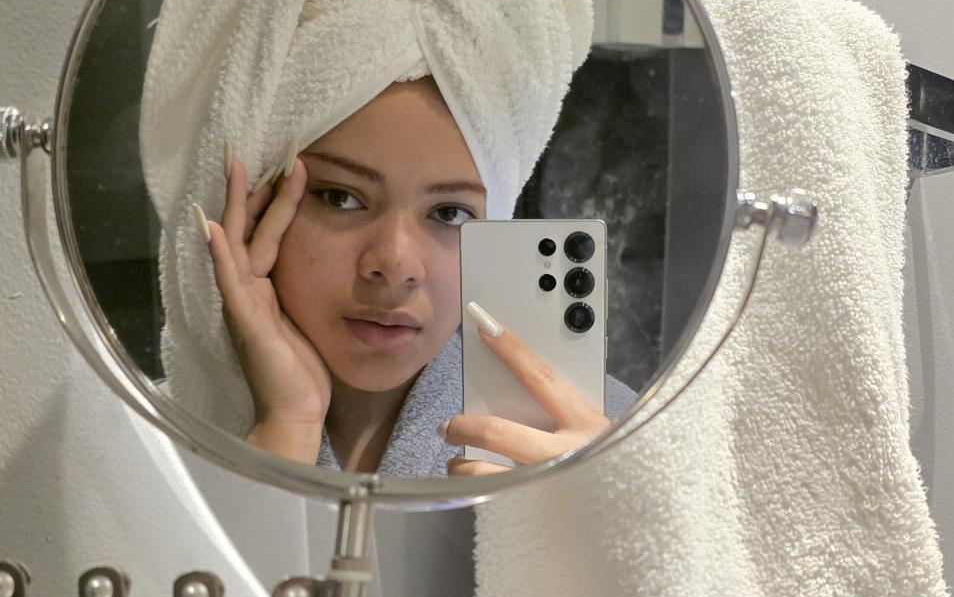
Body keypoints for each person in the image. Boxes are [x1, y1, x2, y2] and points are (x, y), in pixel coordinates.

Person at [198, 77, 637, 476]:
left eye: (449, 213)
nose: (396, 265)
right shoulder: (168, 437)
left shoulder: (619, 441)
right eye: (340, 197)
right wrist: (286, 428)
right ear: (258, 213)